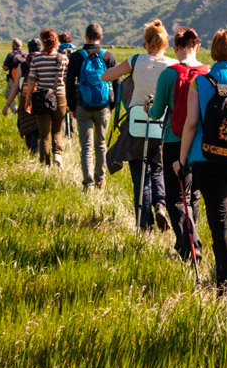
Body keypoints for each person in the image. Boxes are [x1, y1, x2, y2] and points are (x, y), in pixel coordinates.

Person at [174, 29, 227, 303]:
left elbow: (190, 124)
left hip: (208, 164)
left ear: (213, 52)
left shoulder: (201, 83)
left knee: (222, 229)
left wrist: (182, 159)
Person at [102, 19, 176, 231]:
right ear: (164, 44)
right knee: (158, 169)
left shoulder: (135, 60)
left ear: (146, 42)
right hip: (160, 126)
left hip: (136, 126)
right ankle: (160, 205)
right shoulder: (171, 65)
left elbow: (105, 76)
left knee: (140, 174)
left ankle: (144, 225)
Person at [148, 27, 209, 260]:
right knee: (193, 195)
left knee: (175, 196)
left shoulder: (168, 73)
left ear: (175, 48)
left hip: (174, 140)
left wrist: (148, 107)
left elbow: (156, 113)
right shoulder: (208, 72)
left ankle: (189, 244)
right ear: (198, 47)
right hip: (202, 144)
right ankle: (186, 244)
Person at [65, 23, 117, 191]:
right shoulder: (109, 57)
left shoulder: (76, 57)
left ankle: (88, 183)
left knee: (86, 146)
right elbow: (117, 83)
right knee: (100, 144)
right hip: (103, 107)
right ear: (100, 38)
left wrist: (72, 106)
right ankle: (100, 179)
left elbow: (69, 84)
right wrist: (112, 105)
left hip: (82, 106)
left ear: (86, 37)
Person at [24, 29, 69, 166]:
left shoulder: (36, 59)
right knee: (57, 130)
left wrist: (28, 101)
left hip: (42, 98)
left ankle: (45, 164)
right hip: (60, 96)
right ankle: (58, 155)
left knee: (44, 134)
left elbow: (31, 82)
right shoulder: (64, 59)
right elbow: (66, 80)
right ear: (56, 41)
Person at [2, 38, 41, 154]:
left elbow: (15, 86)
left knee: (27, 128)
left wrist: (7, 105)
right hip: (42, 100)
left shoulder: (23, 64)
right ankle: (38, 155)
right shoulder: (44, 62)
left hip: (25, 101)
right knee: (38, 130)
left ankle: (33, 153)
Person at [2, 38, 25, 113]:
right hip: (23, 79)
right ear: (21, 46)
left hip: (13, 78)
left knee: (8, 93)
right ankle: (22, 110)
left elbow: (5, 68)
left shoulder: (11, 55)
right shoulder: (25, 54)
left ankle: (14, 110)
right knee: (21, 94)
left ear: (12, 46)